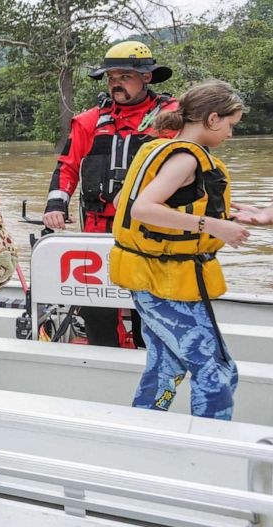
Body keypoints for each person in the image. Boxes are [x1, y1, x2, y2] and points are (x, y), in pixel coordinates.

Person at [110, 80, 248, 420]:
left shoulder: (159, 150)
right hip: (167, 283)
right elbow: (142, 209)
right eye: (231, 126)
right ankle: (209, 450)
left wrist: (234, 215)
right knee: (218, 373)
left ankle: (143, 431)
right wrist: (214, 226)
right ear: (213, 119)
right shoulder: (185, 159)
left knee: (165, 368)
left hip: (153, 280)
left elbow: (121, 201)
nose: (230, 134)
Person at [43, 41, 178, 347]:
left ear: (146, 77)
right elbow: (67, 167)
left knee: (152, 312)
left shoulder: (171, 118)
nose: (116, 83)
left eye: (124, 76)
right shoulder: (89, 121)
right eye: (111, 77)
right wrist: (55, 205)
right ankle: (107, 367)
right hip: (98, 230)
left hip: (152, 230)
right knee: (97, 311)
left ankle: (152, 368)